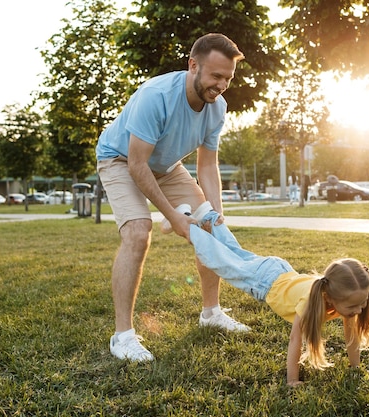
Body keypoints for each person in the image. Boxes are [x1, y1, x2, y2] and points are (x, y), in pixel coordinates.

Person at [96, 33, 249, 362]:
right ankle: (122, 336)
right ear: (193, 65)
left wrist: (215, 215)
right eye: (215, 76)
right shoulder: (156, 95)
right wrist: (172, 216)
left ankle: (211, 314)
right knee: (138, 233)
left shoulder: (217, 108)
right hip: (121, 159)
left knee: (207, 225)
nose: (221, 85)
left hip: (165, 165)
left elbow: (207, 166)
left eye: (228, 79)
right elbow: (137, 164)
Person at [188, 205, 369, 387]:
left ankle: (210, 217)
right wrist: (292, 380)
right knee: (224, 261)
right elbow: (295, 339)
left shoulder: (340, 295)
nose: (358, 310)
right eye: (353, 307)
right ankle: (187, 226)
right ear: (329, 297)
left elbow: (352, 335)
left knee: (236, 254)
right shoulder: (310, 302)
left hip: (279, 271)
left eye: (362, 303)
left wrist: (356, 368)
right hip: (265, 281)